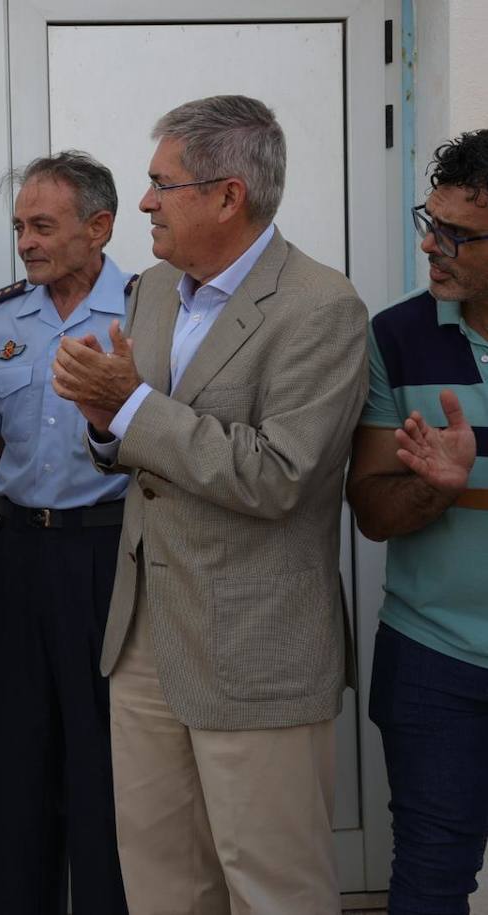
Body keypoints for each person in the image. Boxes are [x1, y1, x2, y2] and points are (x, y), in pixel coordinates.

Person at [51, 94, 368, 913]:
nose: (145, 202)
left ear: (229, 196)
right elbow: (144, 448)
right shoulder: (153, 289)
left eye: (162, 183)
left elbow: (280, 474)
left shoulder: (321, 307)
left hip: (255, 649)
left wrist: (130, 411)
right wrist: (102, 427)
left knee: (273, 887)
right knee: (162, 883)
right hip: (145, 635)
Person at [0, 150, 129, 914]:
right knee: (17, 759)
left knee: (108, 763)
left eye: (42, 225)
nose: (25, 241)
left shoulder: (153, 310)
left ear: (99, 227)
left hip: (113, 554)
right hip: (19, 553)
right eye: (19, 226)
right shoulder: (0, 319)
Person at [347, 128, 488, 914]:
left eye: (458, 235)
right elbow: (369, 508)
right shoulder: (395, 337)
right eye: (428, 222)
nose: (432, 246)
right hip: (434, 660)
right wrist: (436, 487)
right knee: (431, 879)